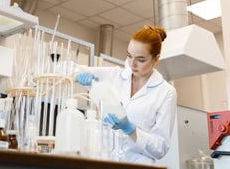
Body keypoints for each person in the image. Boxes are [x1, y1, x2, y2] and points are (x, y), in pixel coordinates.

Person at [75, 25, 177, 164]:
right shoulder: (115, 76)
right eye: (129, 56)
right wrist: (79, 75)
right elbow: (69, 68)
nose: (132, 64)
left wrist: (130, 129)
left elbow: (161, 147)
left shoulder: (165, 92)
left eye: (140, 60)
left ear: (156, 59)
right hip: (104, 161)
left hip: (137, 164)